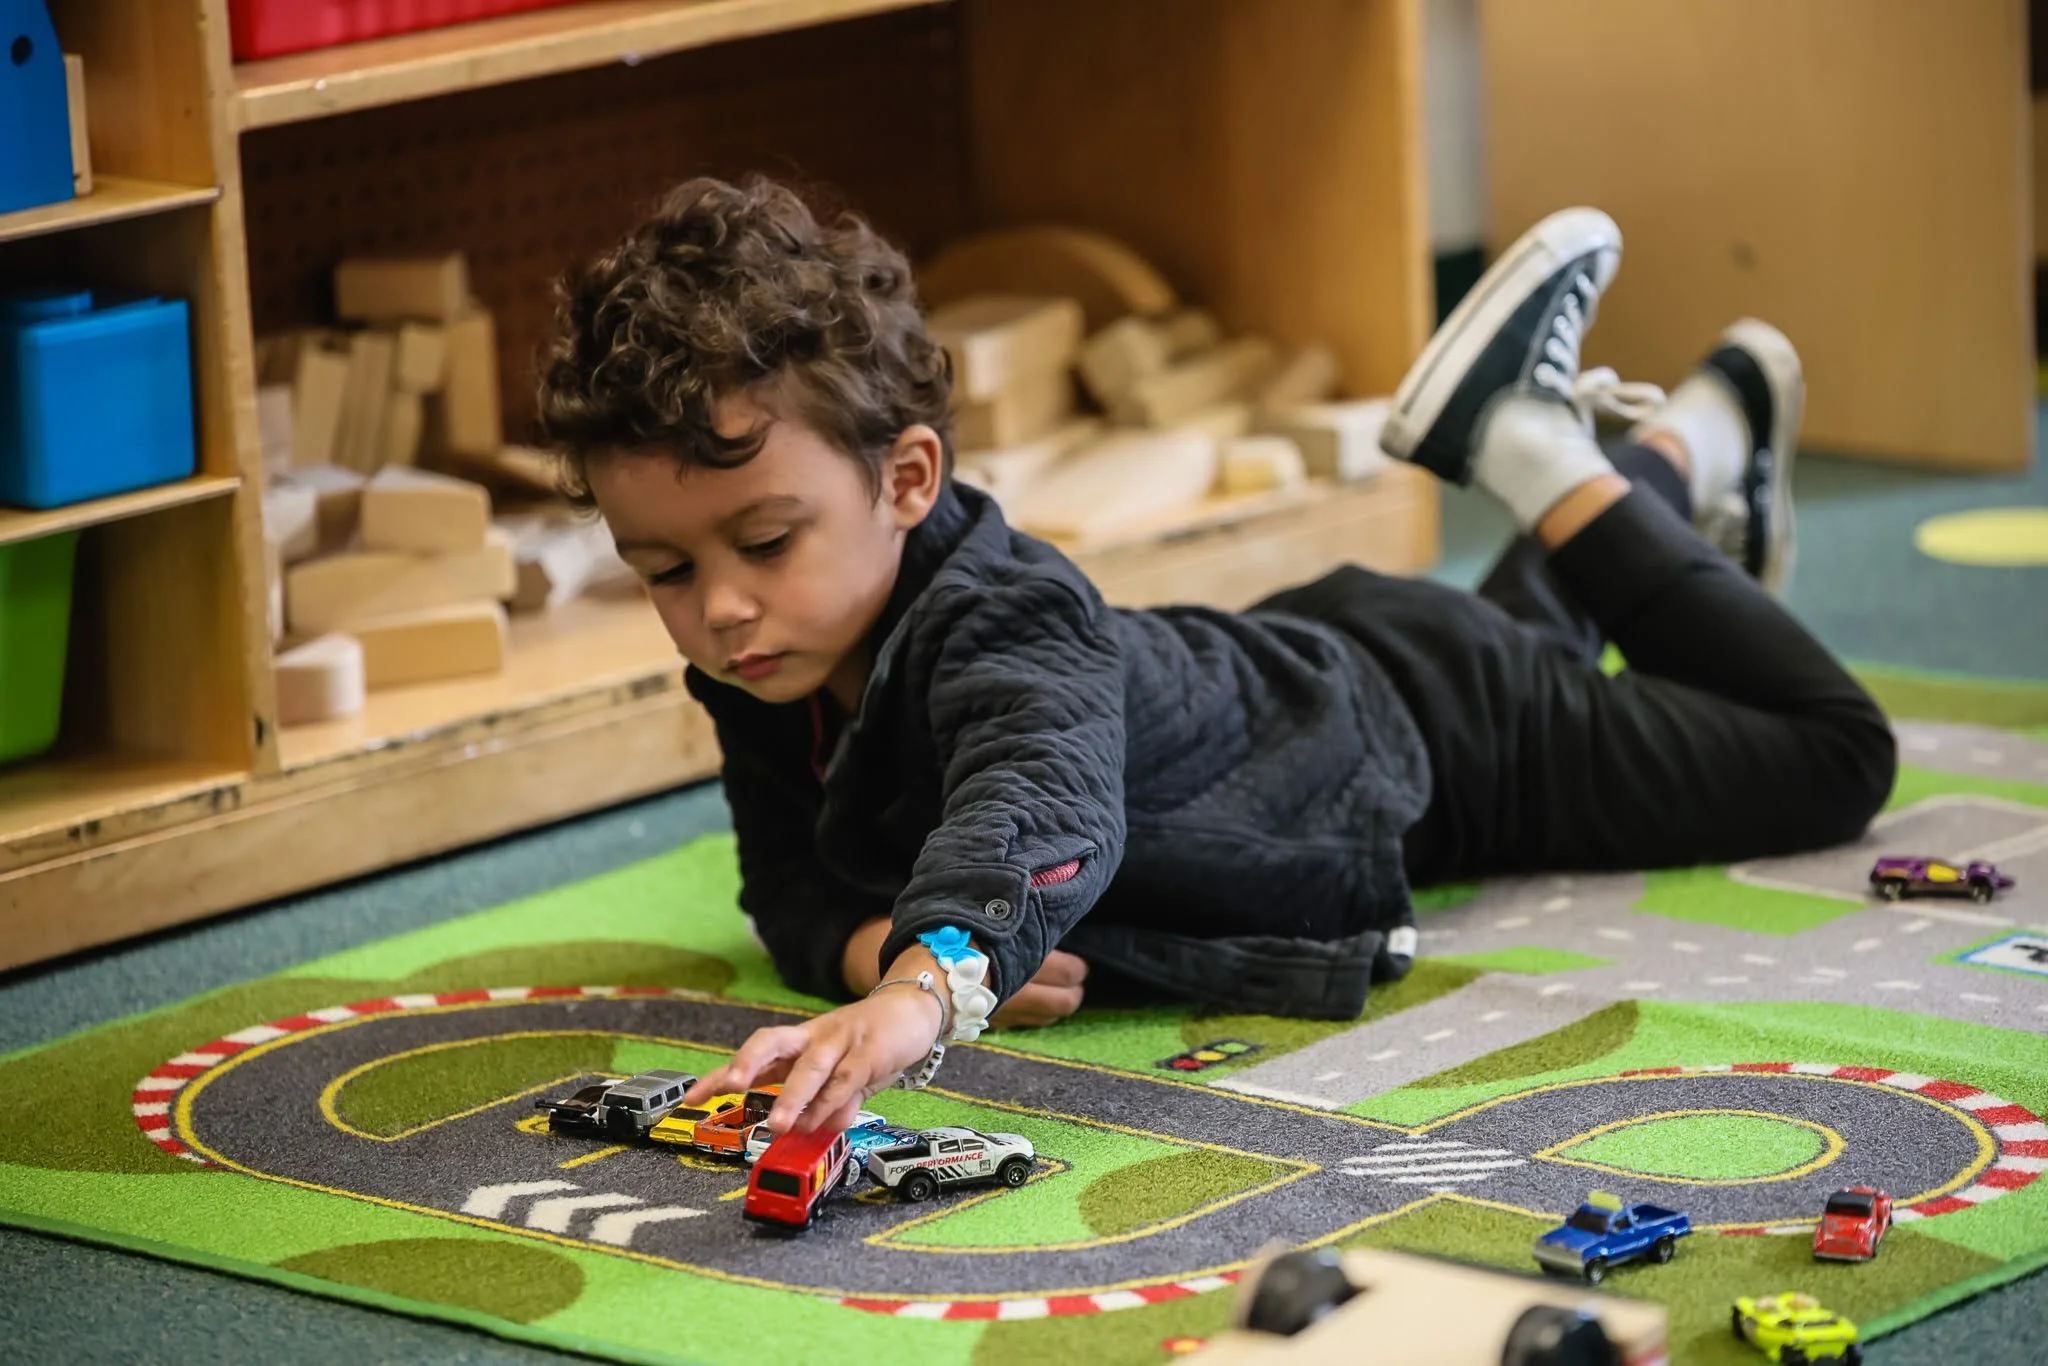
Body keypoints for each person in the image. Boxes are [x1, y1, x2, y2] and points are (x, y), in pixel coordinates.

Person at [535, 177, 1895, 1138]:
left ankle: (1529, 450)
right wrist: (856, 941)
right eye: (664, 568)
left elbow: (1042, 799)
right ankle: (1699, 439)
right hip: (1313, 667)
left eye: (764, 541)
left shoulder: (1008, 615)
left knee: (1833, 757)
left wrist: (926, 982)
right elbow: (782, 873)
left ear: (907, 478)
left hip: (1429, 737)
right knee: (1530, 622)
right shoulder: (771, 654)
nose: (717, 609)